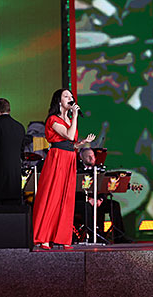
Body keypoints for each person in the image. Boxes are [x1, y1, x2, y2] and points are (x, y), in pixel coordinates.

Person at [32, 88, 96, 250]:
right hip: (57, 158)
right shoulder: (53, 119)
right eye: (66, 96)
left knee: (66, 198)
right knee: (52, 195)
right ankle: (44, 237)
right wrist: (74, 117)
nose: (70, 98)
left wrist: (80, 144)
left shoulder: (68, 119)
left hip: (69, 158)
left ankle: (62, 237)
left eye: (71, 96)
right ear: (58, 101)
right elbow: (68, 135)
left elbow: (70, 142)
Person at [76, 148, 128, 243]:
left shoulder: (99, 170)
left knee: (114, 205)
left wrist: (100, 199)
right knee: (86, 207)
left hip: (97, 200)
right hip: (83, 201)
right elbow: (75, 190)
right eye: (88, 156)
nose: (91, 158)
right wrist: (88, 199)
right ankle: (93, 236)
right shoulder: (77, 171)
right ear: (82, 157)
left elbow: (104, 187)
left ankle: (119, 237)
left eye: (93, 156)